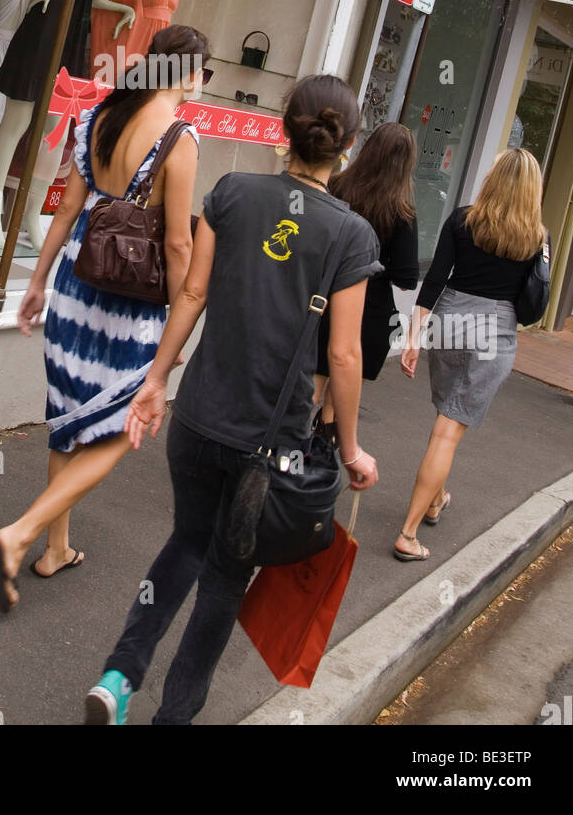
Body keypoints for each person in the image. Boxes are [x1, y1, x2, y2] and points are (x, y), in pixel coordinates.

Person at [84, 74, 382, 726]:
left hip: (199, 415)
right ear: (348, 147)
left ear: (282, 130)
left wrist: (157, 378)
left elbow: (190, 294)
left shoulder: (233, 192)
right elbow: (344, 355)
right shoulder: (351, 236)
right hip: (268, 446)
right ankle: (174, 717)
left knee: (187, 541)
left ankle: (118, 675)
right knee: (224, 575)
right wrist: (353, 450)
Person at [0, 24, 207, 612]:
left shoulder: (100, 117)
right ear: (186, 73)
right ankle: (22, 533)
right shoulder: (179, 138)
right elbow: (180, 246)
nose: (200, 86)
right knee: (119, 426)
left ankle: (56, 549)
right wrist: (178, 324)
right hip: (130, 305)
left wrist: (34, 283)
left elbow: (63, 208)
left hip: (73, 289)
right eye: (202, 74)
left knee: (68, 418)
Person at [394, 147, 547, 562]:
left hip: (451, 320)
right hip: (494, 328)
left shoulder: (462, 219)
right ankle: (407, 534)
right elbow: (531, 301)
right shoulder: (535, 236)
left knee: (446, 416)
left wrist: (412, 336)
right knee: (449, 429)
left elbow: (435, 279)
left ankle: (436, 497)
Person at [313, 122, 419, 421]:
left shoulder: (334, 186)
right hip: (370, 311)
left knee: (309, 385)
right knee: (337, 404)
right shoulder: (402, 211)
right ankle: (320, 458)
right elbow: (407, 278)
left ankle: (282, 451)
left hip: (325, 299)